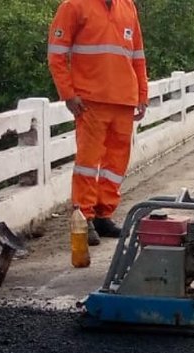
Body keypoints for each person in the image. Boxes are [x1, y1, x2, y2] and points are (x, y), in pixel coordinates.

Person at [48, 0, 149, 246]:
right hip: (91, 100)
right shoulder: (74, 6)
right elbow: (56, 54)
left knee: (115, 164)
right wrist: (68, 93)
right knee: (88, 163)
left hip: (124, 99)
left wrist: (142, 95)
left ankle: (104, 213)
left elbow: (138, 56)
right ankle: (84, 218)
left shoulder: (128, 6)